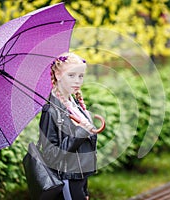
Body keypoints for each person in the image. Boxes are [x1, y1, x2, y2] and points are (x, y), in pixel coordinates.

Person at [39, 52, 97, 200]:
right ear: (58, 74)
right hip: (67, 179)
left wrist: (85, 188)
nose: (77, 81)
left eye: (81, 76)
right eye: (71, 75)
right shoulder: (51, 110)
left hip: (80, 177)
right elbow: (51, 156)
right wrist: (80, 131)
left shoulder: (74, 104)